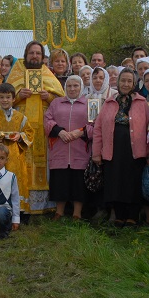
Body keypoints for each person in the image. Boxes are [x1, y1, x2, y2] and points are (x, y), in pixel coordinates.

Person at [6, 41, 65, 215]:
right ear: (26, 55)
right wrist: (18, 96)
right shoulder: (16, 72)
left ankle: (43, 205)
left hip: (42, 129)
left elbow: (60, 100)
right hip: (21, 126)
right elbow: (5, 97)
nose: (34, 56)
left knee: (42, 162)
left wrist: (49, 97)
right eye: (31, 53)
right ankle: (20, 202)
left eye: (38, 53)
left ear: (42, 56)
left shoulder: (47, 74)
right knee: (20, 161)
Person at [92, 68, 149, 227]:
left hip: (135, 150)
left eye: (129, 81)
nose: (125, 84)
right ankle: (119, 216)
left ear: (134, 84)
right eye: (123, 80)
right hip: (113, 150)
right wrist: (96, 153)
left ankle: (132, 216)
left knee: (132, 181)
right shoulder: (109, 102)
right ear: (118, 82)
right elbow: (98, 128)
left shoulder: (141, 102)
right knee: (115, 182)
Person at [44, 75, 91, 220]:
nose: (72, 89)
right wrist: (59, 131)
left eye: (76, 85)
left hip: (80, 148)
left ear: (81, 87)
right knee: (60, 180)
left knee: (78, 182)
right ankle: (59, 212)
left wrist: (80, 132)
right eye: (69, 86)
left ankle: (77, 213)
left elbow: (96, 124)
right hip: (60, 148)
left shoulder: (89, 103)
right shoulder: (56, 103)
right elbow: (47, 120)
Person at [0, 82, 34, 202]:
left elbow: (30, 134)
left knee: (15, 180)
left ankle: (18, 207)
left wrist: (20, 136)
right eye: (2, 97)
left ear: (13, 99)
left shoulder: (21, 117)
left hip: (15, 156)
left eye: (8, 97)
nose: (5, 100)